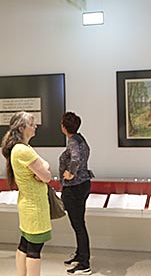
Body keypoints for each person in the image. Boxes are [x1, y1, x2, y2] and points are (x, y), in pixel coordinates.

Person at [1, 111, 52, 276]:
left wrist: (43, 170)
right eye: (31, 123)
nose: (35, 126)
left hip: (27, 204)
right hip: (34, 206)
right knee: (34, 249)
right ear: (22, 128)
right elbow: (47, 176)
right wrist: (43, 172)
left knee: (25, 245)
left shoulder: (21, 148)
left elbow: (45, 166)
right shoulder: (24, 151)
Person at [59, 112, 95, 275]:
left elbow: (75, 159)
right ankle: (80, 255)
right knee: (79, 223)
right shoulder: (81, 139)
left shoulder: (73, 142)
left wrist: (71, 173)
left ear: (64, 127)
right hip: (83, 184)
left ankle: (84, 262)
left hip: (74, 187)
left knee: (78, 225)